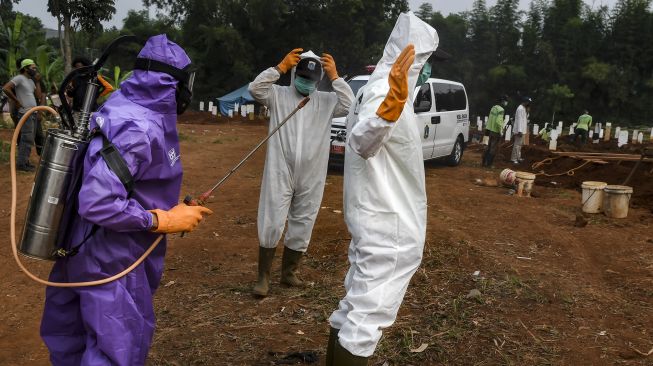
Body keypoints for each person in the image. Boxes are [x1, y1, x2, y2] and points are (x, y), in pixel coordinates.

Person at [39, 35, 212, 366]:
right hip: (114, 260)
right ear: (174, 83)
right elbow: (99, 200)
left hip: (80, 249)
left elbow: (130, 181)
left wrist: (176, 208)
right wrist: (162, 220)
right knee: (113, 351)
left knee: (71, 345)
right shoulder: (140, 127)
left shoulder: (120, 106)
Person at [326, 12, 438, 365]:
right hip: (389, 227)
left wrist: (395, 102)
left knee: (354, 307)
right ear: (414, 55)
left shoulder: (380, 88)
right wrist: (392, 106)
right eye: (427, 60)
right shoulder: (385, 91)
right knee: (366, 320)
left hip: (375, 218)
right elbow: (361, 140)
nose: (429, 68)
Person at [248, 48, 354, 297]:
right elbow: (255, 89)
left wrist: (336, 77)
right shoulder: (278, 94)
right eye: (303, 77)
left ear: (319, 81)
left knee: (304, 220)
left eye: (312, 80)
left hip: (312, 172)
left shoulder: (326, 101)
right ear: (295, 74)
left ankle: (289, 272)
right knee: (272, 217)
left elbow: (349, 104)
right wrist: (279, 67)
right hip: (280, 168)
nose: (306, 83)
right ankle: (263, 276)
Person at [3, 58, 42, 171]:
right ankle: (22, 164)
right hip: (25, 113)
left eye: (35, 68)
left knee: (29, 139)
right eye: (32, 68)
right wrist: (17, 101)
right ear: (25, 68)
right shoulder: (19, 78)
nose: (35, 70)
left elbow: (38, 96)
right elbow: (6, 88)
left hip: (33, 112)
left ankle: (24, 162)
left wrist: (38, 81)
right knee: (27, 138)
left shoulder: (30, 81)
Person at [66, 56, 114, 121]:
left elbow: (109, 88)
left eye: (80, 66)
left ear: (86, 66)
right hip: (77, 111)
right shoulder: (74, 78)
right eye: (76, 67)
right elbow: (70, 94)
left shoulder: (94, 77)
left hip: (91, 111)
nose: (78, 68)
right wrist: (69, 90)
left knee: (90, 129)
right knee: (77, 130)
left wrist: (96, 95)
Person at [481, 95, 508, 167]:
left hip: (488, 130)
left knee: (486, 146)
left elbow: (490, 118)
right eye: (506, 101)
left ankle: (483, 163)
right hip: (495, 132)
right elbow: (498, 122)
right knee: (493, 148)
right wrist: (501, 131)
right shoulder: (501, 110)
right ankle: (489, 164)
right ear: (503, 101)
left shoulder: (493, 107)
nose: (506, 103)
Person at [510, 97, 531, 164]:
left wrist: (527, 112)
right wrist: (520, 131)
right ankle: (514, 159)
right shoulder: (520, 109)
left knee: (520, 145)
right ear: (525, 101)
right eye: (528, 102)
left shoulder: (524, 108)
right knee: (517, 145)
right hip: (519, 130)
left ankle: (518, 157)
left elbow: (525, 118)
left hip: (522, 130)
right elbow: (519, 120)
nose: (529, 104)